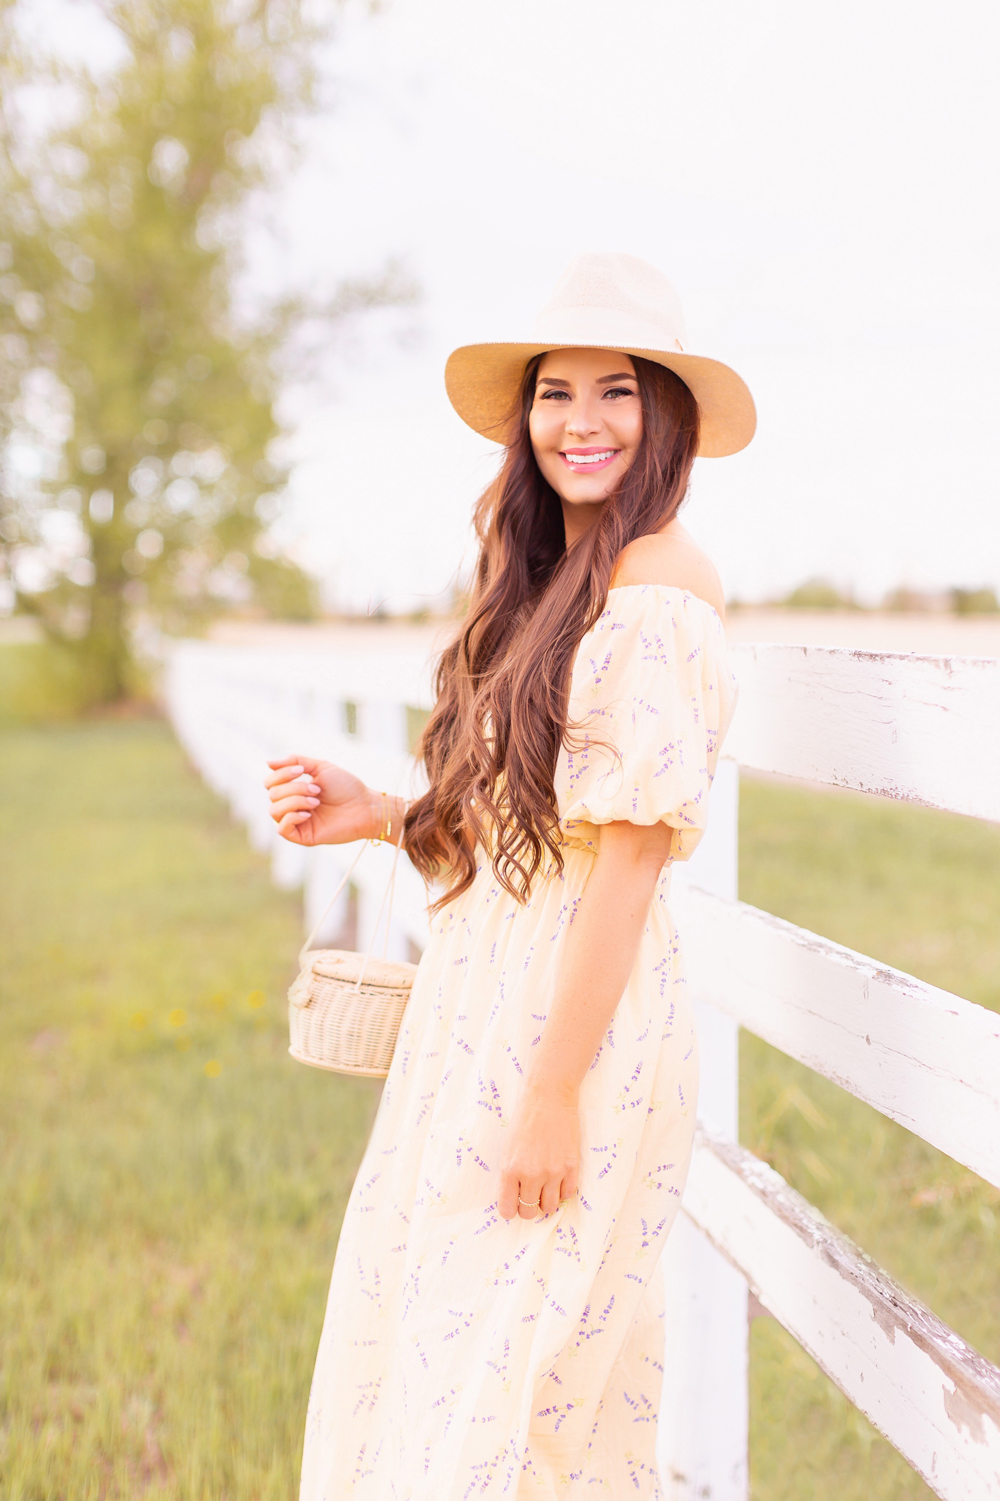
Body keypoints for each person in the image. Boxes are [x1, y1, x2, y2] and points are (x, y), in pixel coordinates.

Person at [264, 252, 755, 1500]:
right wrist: (385, 814)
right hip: (480, 1013)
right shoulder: (552, 581)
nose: (580, 423)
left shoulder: (658, 596)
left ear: (666, 417)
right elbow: (528, 827)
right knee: (441, 1368)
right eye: (555, 394)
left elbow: (626, 867)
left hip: (572, 1036)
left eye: (616, 393)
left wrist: (551, 1092)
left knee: (515, 1393)